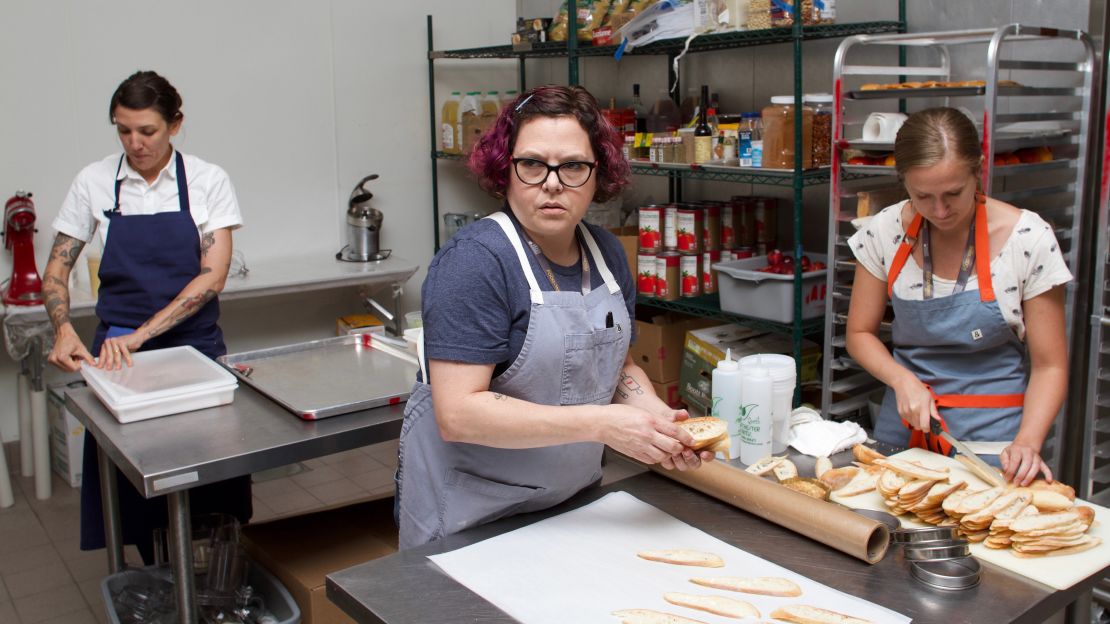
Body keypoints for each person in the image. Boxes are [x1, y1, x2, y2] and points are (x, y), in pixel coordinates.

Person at [396, 85, 713, 549]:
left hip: (573, 503)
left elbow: (619, 367)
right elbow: (459, 413)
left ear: (597, 174)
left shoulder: (605, 253)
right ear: (505, 169)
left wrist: (657, 422)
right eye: (532, 164)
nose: (552, 183)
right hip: (474, 515)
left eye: (572, 166)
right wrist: (603, 425)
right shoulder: (476, 262)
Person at [43, 70, 251, 562]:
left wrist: (143, 334)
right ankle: (151, 578)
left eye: (147, 131)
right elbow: (58, 266)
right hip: (119, 356)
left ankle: (212, 579)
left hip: (194, 349)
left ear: (175, 125)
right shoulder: (94, 181)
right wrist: (63, 327)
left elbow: (212, 277)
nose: (134, 143)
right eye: (123, 130)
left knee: (208, 479)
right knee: (132, 487)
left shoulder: (206, 180)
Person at [846, 107, 1071, 486]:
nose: (940, 210)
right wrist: (902, 381)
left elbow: (1051, 366)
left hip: (994, 442)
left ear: (978, 170)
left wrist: (1027, 444)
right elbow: (859, 334)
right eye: (923, 196)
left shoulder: (1028, 239)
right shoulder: (883, 231)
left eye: (954, 193)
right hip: (903, 430)